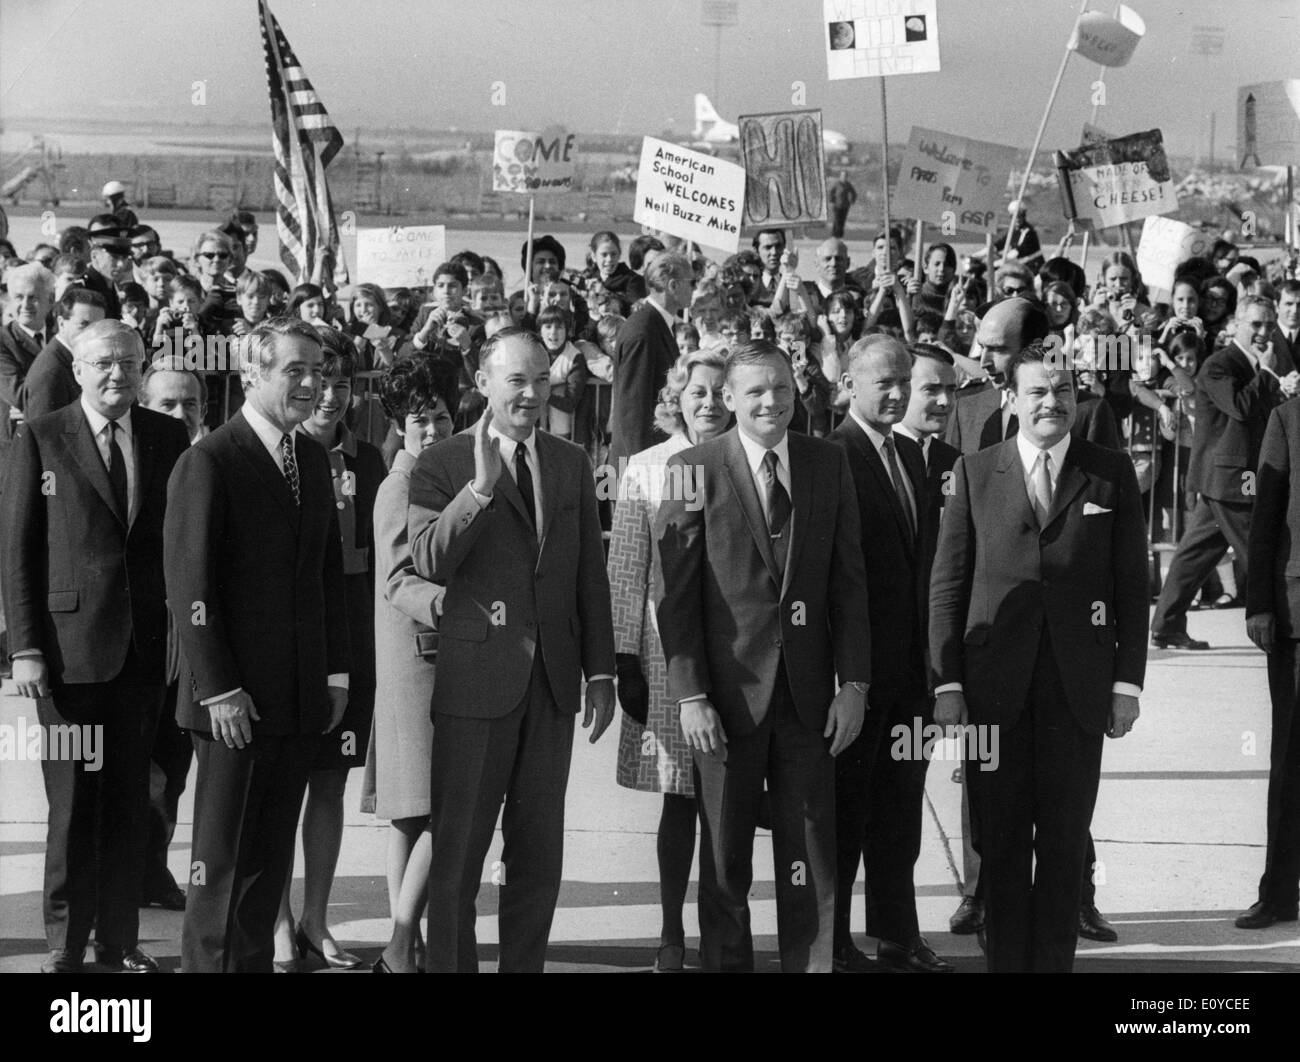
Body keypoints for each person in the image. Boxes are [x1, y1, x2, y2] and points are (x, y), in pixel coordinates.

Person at [929, 340, 1148, 972]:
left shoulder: (1109, 471)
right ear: (1012, 398)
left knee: (1061, 846)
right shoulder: (976, 471)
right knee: (998, 845)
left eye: (1062, 392)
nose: (1051, 402)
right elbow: (948, 583)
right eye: (1037, 392)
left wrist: (1126, 685)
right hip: (992, 691)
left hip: (1079, 693)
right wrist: (946, 684)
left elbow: (1131, 583)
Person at [653, 339, 871, 972]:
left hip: (809, 705)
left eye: (780, 387)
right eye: (754, 390)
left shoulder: (826, 464)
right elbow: (675, 595)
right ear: (728, 399)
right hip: (724, 703)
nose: (770, 401)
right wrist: (691, 694)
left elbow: (850, 584)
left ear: (797, 390)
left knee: (813, 862)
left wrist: (853, 684)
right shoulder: (696, 466)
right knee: (725, 865)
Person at [406, 327, 616, 972]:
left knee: (536, 857)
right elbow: (426, 559)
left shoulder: (570, 460)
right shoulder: (441, 462)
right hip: (476, 684)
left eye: (542, 379)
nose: (530, 393)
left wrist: (601, 672)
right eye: (516, 380)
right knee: (459, 857)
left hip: (552, 687)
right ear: (483, 384)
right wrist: (479, 491)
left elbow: (587, 573)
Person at [164, 317, 351, 973]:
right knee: (219, 873)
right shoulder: (210, 460)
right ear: (254, 374)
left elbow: (327, 576)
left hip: (298, 704)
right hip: (232, 709)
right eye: (293, 370)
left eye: (318, 371)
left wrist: (335, 676)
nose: (309, 383)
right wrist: (218, 689)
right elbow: (191, 587)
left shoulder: (310, 460)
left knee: (267, 870)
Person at [3, 320, 190, 972]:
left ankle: (117, 941)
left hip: (143, 659)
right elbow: (18, 551)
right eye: (104, 363)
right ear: (77, 368)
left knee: (129, 805)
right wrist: (24, 646)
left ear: (143, 370)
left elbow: (179, 545)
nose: (118, 375)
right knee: (73, 809)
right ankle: (65, 944)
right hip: (67, 661)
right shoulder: (43, 437)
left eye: (130, 364)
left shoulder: (169, 437)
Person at [828, 335, 950, 974]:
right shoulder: (832, 457)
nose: (899, 393)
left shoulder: (909, 456)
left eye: (906, 380)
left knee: (900, 814)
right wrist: (847, 676)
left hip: (910, 677)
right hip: (858, 679)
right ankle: (834, 939)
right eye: (885, 383)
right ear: (850, 384)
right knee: (846, 813)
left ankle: (899, 936)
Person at [607, 348, 731, 973]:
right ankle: (671, 933)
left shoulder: (751, 459)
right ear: (675, 401)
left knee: (728, 805)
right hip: (667, 658)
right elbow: (626, 570)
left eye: (718, 390)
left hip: (741, 657)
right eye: (696, 392)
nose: (708, 402)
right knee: (680, 800)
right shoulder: (647, 470)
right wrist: (623, 657)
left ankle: (721, 936)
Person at [272, 328, 386, 971]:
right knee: (283, 786)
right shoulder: (278, 454)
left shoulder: (368, 460)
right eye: (320, 380)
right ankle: (278, 920)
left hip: (353, 638)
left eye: (343, 384)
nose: (330, 395)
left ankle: (316, 918)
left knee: (330, 784)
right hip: (294, 643)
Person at [368, 357, 457, 973]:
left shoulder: (431, 475)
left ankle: (405, 941)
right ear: (401, 424)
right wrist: (463, 610)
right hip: (420, 658)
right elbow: (402, 579)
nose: (432, 428)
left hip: (418, 656)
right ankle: (402, 940)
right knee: (438, 809)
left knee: (412, 811)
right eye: (420, 420)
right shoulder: (403, 483)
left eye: (442, 417)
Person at [1151, 296, 1293, 651]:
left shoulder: (1261, 362)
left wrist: (1277, 382)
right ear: (1236, 326)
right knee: (1259, 550)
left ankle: (1166, 624)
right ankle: (1284, 622)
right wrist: (1267, 373)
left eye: (1269, 325)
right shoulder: (1219, 364)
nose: (1264, 332)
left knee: (1194, 554)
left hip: (1231, 477)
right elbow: (1241, 408)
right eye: (1256, 324)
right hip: (1230, 478)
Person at [137, 360, 207, 913]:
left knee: (171, 769)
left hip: (188, 648)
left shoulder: (211, 464)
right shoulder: (128, 460)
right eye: (167, 404)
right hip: (130, 642)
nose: (179, 414)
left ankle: (152, 870)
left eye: (190, 404)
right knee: (129, 771)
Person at [1242, 398, 1300, 929]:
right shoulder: (1288, 418)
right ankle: (1280, 893)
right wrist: (1258, 601)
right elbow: (1265, 516)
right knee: (1290, 762)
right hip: (1296, 617)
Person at [608, 252, 694, 479]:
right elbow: (632, 410)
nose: (693, 289)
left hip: (651, 460)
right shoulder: (643, 330)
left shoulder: (655, 324)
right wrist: (642, 470)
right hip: (639, 468)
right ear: (674, 285)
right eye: (690, 283)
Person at [24, 287, 108, 421]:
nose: (93, 333)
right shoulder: (50, 372)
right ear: (61, 323)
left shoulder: (73, 357)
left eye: (98, 326)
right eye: (84, 324)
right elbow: (45, 435)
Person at [0, 263, 55, 458]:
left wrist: (35, 409)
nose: (25, 305)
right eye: (18, 297)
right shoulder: (3, 341)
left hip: (59, 444)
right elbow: (20, 396)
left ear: (50, 300)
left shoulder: (64, 336)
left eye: (33, 297)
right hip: (19, 449)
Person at [827, 170, 857, 239]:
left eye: (845, 176)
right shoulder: (836, 184)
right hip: (837, 206)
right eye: (843, 175)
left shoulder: (848, 184)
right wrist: (831, 201)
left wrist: (852, 200)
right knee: (837, 221)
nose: (844, 177)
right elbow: (831, 192)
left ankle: (839, 236)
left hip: (845, 206)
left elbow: (853, 192)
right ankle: (834, 236)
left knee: (842, 221)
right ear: (840, 176)